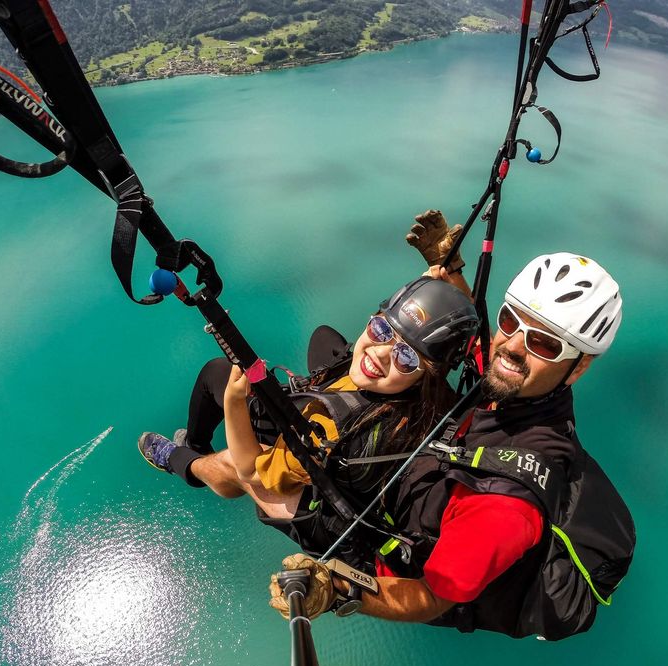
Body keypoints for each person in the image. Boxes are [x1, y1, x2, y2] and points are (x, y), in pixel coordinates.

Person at [268, 235, 632, 638]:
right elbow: (481, 352)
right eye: (510, 320)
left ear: (578, 368)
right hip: (421, 479)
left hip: (387, 558)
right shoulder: (520, 384)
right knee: (329, 348)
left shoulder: (507, 505)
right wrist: (451, 266)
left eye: (543, 342)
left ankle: (187, 460)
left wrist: (337, 589)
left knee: (253, 474)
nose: (511, 347)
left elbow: (432, 595)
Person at [137, 277, 480, 543]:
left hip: (316, 474)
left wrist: (234, 401)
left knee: (218, 384)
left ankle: (187, 458)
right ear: (374, 318)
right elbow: (438, 330)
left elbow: (251, 472)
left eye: (405, 357)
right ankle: (351, 373)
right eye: (381, 329)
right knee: (326, 339)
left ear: (426, 374)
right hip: (359, 436)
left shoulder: (327, 426)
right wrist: (444, 273)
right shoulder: (435, 395)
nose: (380, 353)